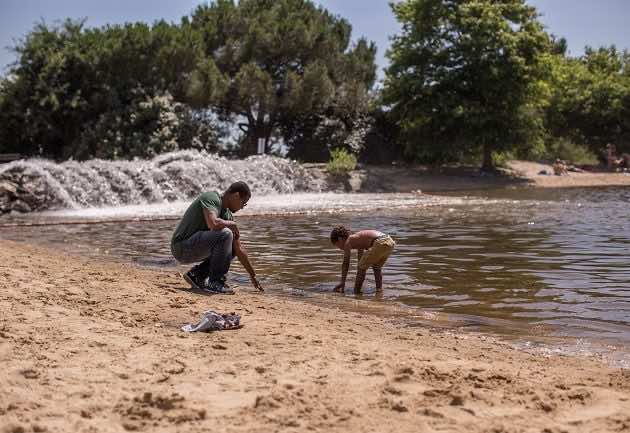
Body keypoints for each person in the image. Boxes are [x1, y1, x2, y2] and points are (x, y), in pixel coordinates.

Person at [170, 181, 263, 294]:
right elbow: (213, 223)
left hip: (193, 248)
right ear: (236, 196)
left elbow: (239, 250)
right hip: (181, 247)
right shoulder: (211, 198)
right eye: (243, 203)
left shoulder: (227, 215)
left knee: (232, 247)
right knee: (226, 234)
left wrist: (252, 275)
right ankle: (215, 282)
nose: (242, 207)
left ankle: (197, 275)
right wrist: (230, 225)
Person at [330, 226, 395, 294]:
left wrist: (342, 282)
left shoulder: (348, 242)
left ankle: (356, 291)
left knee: (362, 267)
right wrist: (360, 269)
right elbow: (360, 259)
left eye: (337, 245)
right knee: (376, 267)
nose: (340, 248)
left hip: (380, 242)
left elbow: (346, 263)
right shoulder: (357, 239)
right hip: (389, 241)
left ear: (340, 239)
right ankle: (379, 290)